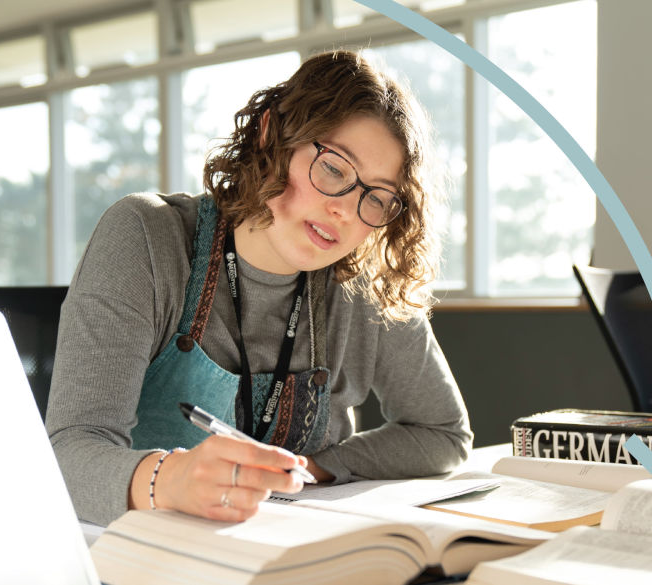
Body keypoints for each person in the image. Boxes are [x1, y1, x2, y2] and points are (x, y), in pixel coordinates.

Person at [46, 50, 473, 527]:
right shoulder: (147, 237)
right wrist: (170, 479)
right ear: (272, 135)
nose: (347, 212)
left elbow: (443, 433)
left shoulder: (365, 280)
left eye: (375, 197)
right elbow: (68, 454)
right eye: (334, 169)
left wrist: (320, 467)